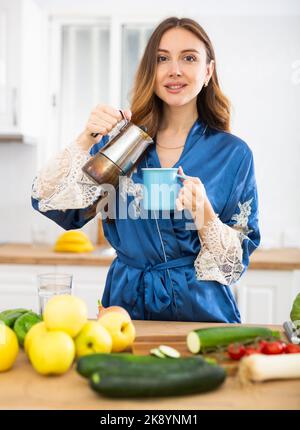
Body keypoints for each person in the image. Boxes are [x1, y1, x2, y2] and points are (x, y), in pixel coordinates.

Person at [31, 17, 260, 322]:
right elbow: (57, 206)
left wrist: (204, 214)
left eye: (189, 58)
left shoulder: (233, 154)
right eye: (162, 58)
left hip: (203, 312)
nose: (174, 69)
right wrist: (86, 139)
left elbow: (236, 260)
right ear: (150, 71)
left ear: (208, 71)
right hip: (125, 309)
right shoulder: (121, 145)